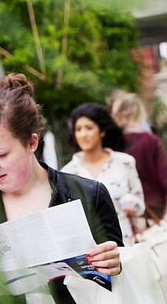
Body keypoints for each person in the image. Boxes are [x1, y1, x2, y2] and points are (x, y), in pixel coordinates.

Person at [0, 74, 122, 304]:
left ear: (32, 142)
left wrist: (116, 264)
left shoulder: (88, 195)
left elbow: (118, 282)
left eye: (1, 154)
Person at [62, 103, 145, 246]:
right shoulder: (67, 173)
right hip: (91, 252)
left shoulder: (124, 162)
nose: (83, 134)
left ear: (102, 131)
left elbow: (141, 207)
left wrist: (133, 205)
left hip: (126, 246)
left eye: (89, 128)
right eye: (78, 129)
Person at [111, 93, 167, 225]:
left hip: (121, 205)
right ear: (139, 112)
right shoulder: (150, 141)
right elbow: (166, 175)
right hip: (152, 204)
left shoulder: (112, 143)